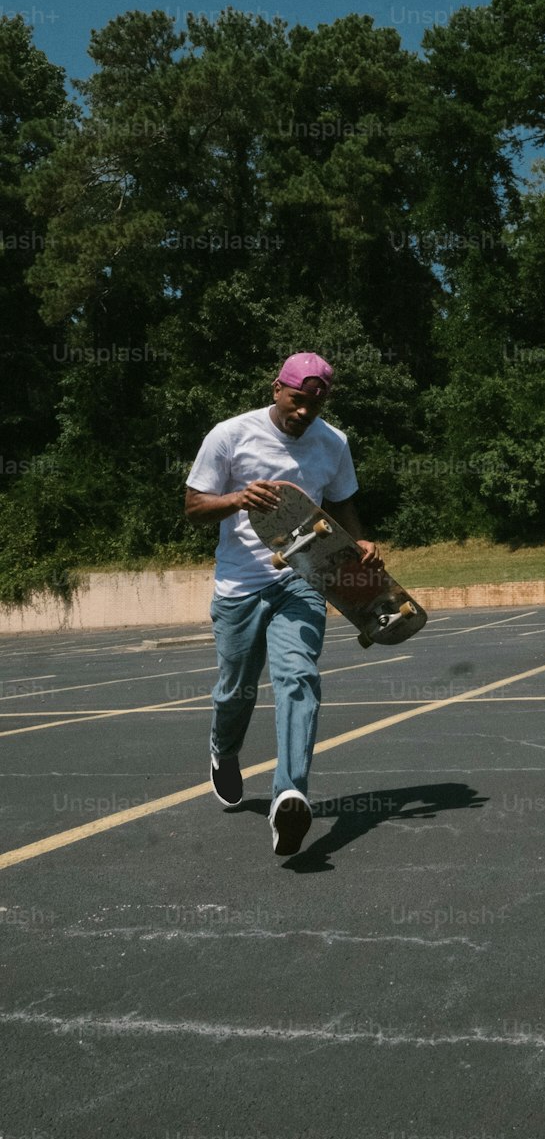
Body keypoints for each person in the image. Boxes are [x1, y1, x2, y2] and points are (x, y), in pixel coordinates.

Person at [185, 352, 381, 856]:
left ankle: (289, 793)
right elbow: (194, 506)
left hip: (303, 577)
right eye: (297, 401)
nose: (303, 414)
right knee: (236, 689)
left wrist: (359, 543)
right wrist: (236, 499)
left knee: (297, 677)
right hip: (239, 585)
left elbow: (340, 503)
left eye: (314, 407)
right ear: (277, 389)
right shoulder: (229, 435)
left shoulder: (333, 442)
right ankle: (223, 752)